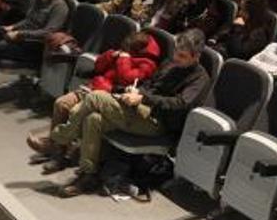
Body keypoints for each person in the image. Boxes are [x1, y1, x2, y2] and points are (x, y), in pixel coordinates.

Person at [27, 29, 210, 196]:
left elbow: (180, 103)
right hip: (142, 109)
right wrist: (135, 91)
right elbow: (151, 85)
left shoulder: (200, 78)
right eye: (176, 52)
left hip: (158, 122)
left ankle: (57, 139)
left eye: (183, 56)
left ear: (196, 57)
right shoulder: (172, 64)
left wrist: (143, 98)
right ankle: (88, 176)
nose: (176, 57)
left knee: (95, 98)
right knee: (94, 119)